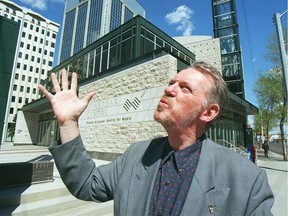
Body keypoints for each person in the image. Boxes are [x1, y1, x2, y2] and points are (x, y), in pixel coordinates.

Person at [39, 61, 274, 215]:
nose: (169, 89)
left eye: (184, 88)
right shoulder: (136, 155)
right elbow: (86, 184)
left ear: (208, 112)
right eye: (171, 82)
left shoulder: (248, 181)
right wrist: (68, 123)